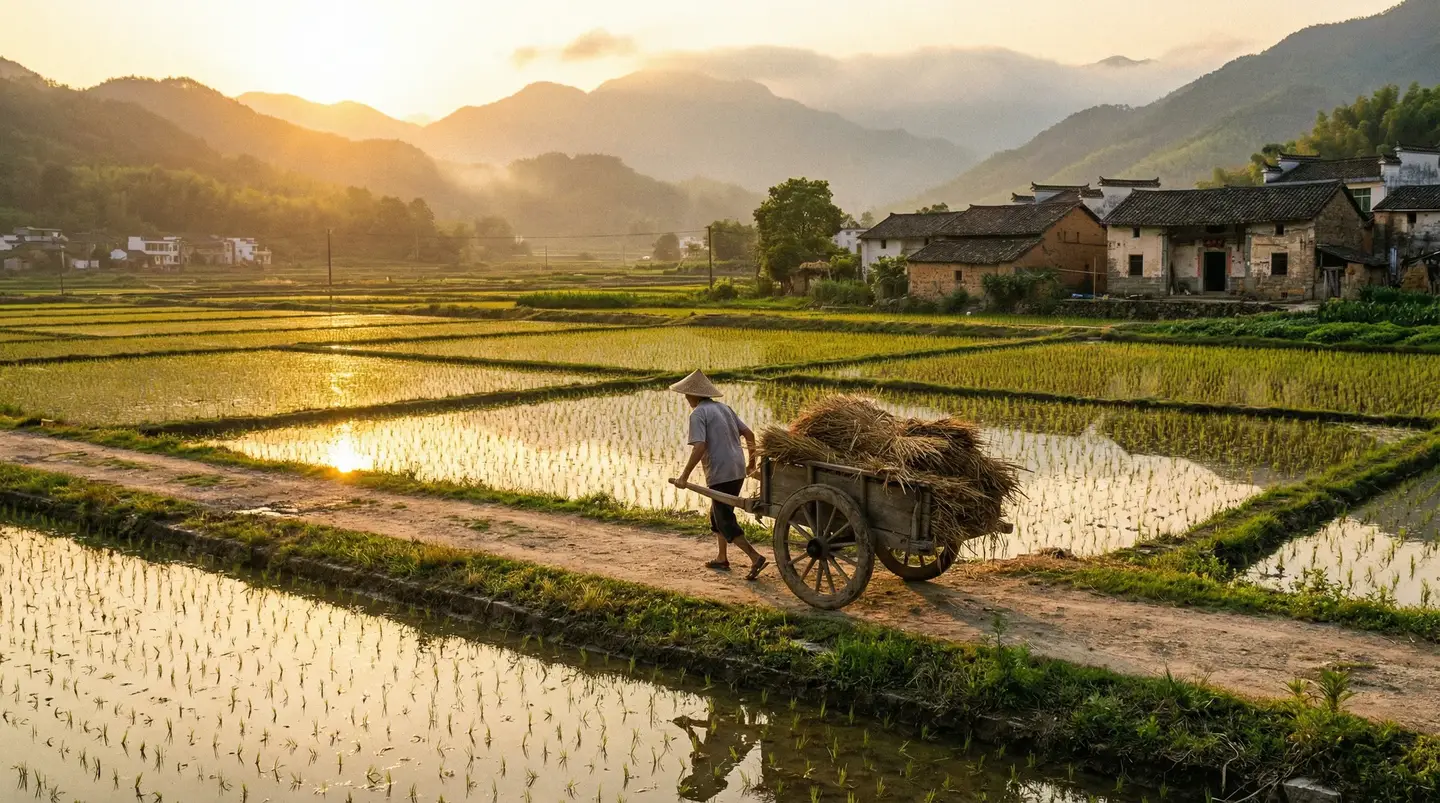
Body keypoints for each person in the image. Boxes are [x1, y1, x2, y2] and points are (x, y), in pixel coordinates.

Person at [668, 370, 768, 580]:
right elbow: (749, 434)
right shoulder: (724, 408)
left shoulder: (698, 414)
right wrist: (750, 464)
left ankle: (755, 557)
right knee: (717, 513)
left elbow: (699, 447)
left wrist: (684, 476)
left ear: (695, 395)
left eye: (687, 395)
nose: (686, 398)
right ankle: (722, 558)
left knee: (723, 518)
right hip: (737, 469)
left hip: (720, 471)